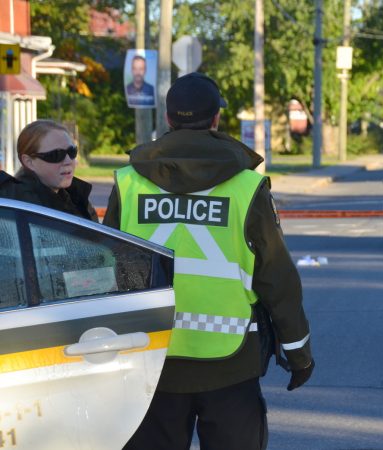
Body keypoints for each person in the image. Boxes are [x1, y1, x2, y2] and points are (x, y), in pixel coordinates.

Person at [103, 72, 313, 450]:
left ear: (168, 119)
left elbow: (106, 274)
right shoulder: (246, 187)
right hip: (230, 365)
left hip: (150, 361)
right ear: (216, 118)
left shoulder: (128, 183)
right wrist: (299, 353)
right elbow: (276, 278)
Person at [0, 120, 98, 221]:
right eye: (56, 155)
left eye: (72, 152)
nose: (68, 161)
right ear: (29, 162)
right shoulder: (18, 204)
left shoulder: (75, 198)